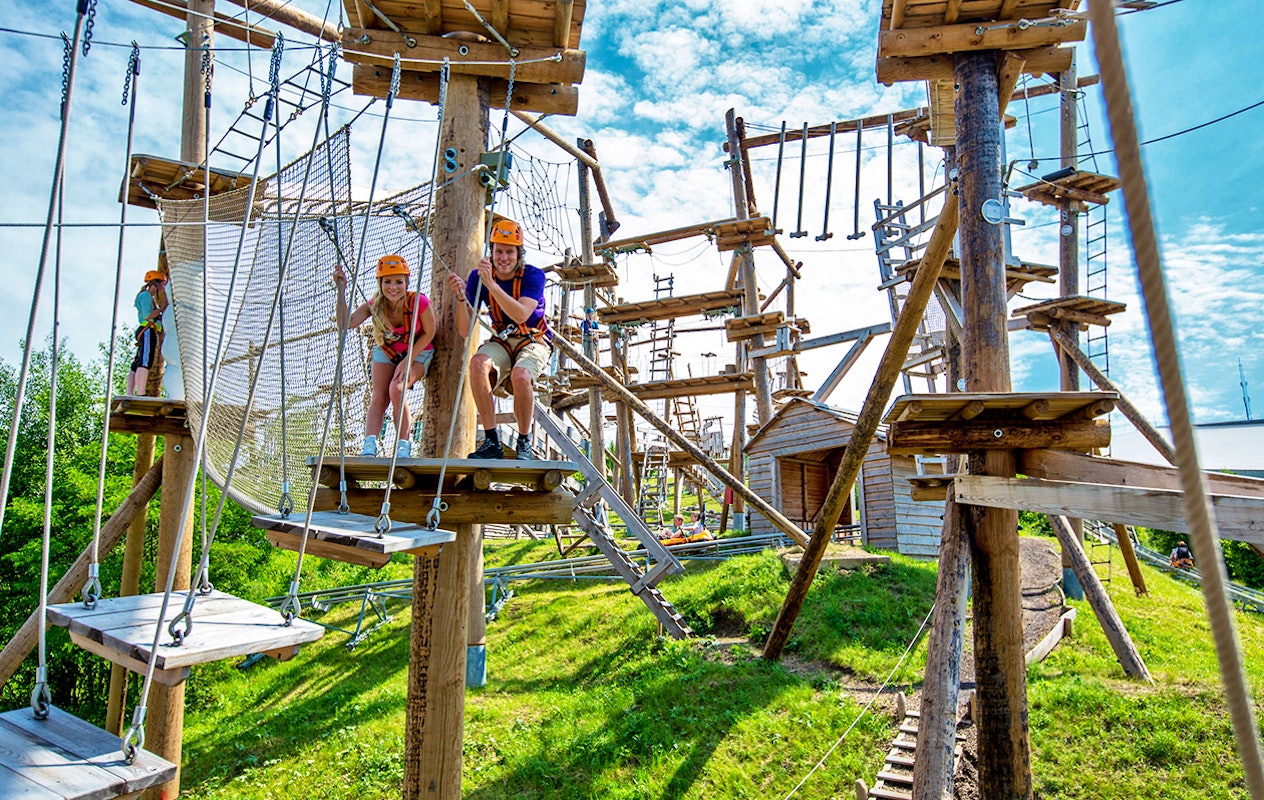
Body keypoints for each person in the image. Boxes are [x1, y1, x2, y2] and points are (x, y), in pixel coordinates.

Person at [447, 218, 551, 460]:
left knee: (521, 375)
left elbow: (521, 314)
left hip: (532, 339)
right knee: (477, 364)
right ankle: (491, 440)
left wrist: (491, 285)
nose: (503, 258)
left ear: (518, 254)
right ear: (491, 252)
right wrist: (462, 298)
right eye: (498, 252)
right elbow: (465, 329)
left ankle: (524, 441)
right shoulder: (478, 276)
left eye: (509, 252)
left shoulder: (533, 276)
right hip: (503, 340)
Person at [333, 254, 436, 458]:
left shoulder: (418, 302)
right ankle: (369, 444)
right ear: (380, 283)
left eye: (399, 281)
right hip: (388, 349)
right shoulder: (375, 304)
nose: (393, 287)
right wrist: (341, 290)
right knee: (379, 394)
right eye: (387, 281)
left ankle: (403, 444)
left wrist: (407, 362)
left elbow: (430, 332)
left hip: (418, 349)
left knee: (397, 389)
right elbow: (346, 323)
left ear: (406, 282)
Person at [127, 270, 167, 396]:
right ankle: (140, 393)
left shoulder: (147, 297)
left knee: (138, 362)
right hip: (147, 330)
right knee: (144, 361)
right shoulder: (146, 296)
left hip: (146, 330)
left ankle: (130, 393)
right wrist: (162, 309)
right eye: (162, 284)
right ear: (156, 284)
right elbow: (147, 315)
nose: (163, 288)